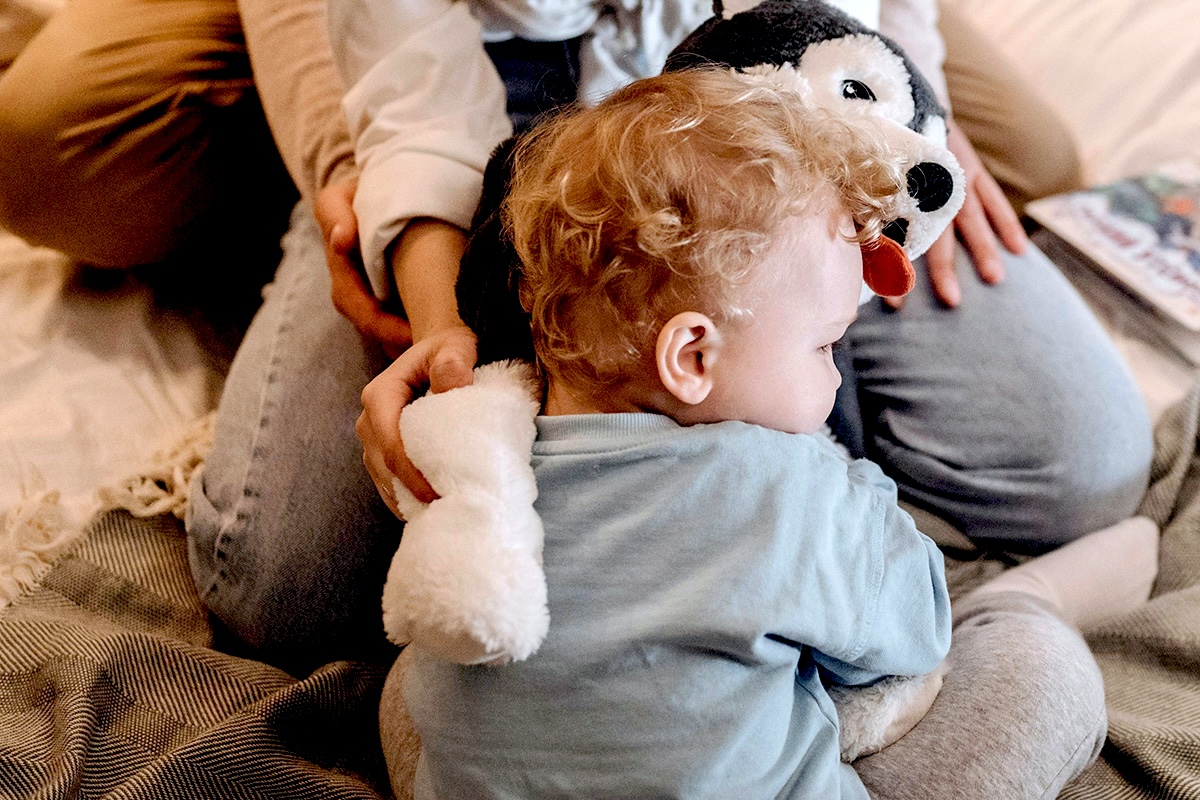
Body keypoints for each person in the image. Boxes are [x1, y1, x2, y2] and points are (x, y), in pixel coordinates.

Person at [386, 69, 1155, 799]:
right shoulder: (791, 494)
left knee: (414, 690)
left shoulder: (474, 467)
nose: (834, 379)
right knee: (1042, 671)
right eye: (825, 346)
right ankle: (1026, 597)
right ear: (692, 356)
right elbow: (916, 632)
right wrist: (855, 494)